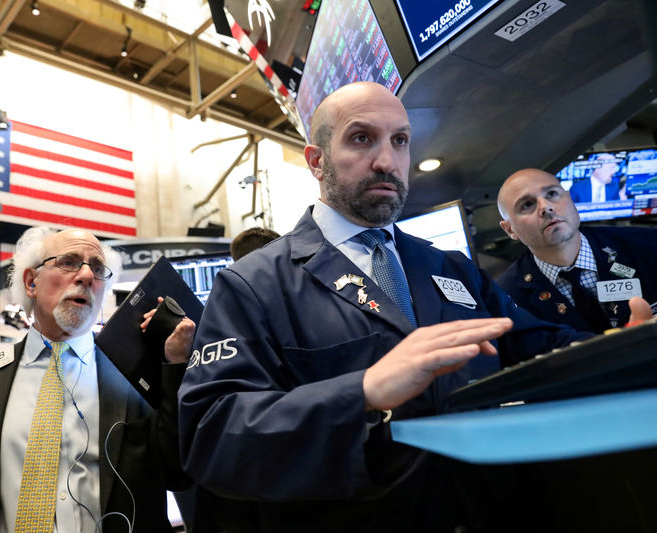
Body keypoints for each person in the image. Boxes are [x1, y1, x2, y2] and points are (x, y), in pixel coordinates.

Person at [177, 82, 624, 532]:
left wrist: (621, 349)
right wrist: (364, 390)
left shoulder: (447, 265)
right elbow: (211, 436)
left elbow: (535, 343)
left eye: (400, 140)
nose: (387, 161)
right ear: (317, 161)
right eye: (361, 138)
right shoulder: (254, 284)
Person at [0, 227, 195, 533]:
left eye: (98, 269)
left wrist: (178, 365)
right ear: (31, 282)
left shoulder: (135, 377)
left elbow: (180, 473)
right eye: (69, 262)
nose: (87, 276)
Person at [497, 167, 657, 333]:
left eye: (551, 194)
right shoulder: (506, 298)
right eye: (527, 204)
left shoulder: (648, 245)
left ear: (570, 197)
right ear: (509, 230)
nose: (546, 207)